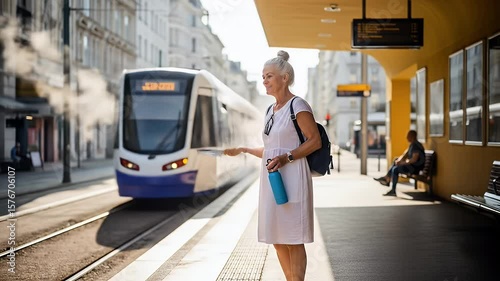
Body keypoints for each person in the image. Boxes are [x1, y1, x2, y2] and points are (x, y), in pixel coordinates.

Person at [224, 50, 321, 281]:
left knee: (293, 238)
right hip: (273, 181)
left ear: (284, 78)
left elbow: (314, 141)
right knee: (277, 239)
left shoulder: (298, 105)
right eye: (263, 76)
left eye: (269, 76)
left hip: (294, 178)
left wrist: (287, 158)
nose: (264, 81)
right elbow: (271, 151)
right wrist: (244, 149)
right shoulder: (270, 110)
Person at [374, 130, 425, 196]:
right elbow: (405, 155)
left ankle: (392, 188)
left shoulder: (416, 145)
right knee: (396, 160)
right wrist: (399, 161)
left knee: (395, 169)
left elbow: (414, 160)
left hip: (415, 168)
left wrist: (403, 163)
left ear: (412, 136)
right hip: (411, 166)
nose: (406, 137)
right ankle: (387, 178)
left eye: (408, 136)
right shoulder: (412, 145)